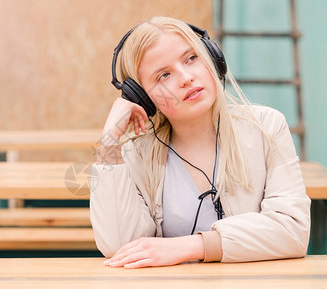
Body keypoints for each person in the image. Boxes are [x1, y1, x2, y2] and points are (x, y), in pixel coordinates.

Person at [89, 16, 310, 269]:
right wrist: (109, 146)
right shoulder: (137, 155)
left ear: (212, 58)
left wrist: (191, 246)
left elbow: (293, 230)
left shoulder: (266, 128)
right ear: (144, 99)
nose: (186, 78)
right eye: (163, 75)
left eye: (191, 58)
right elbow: (120, 249)